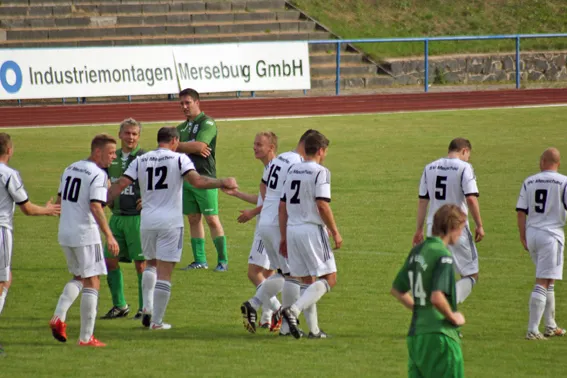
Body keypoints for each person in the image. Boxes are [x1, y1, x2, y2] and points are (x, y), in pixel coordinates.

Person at [107, 127, 237, 330]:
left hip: (147, 221)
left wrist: (101, 200)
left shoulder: (142, 159)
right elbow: (198, 181)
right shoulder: (179, 159)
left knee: (150, 264)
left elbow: (120, 184)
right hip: (170, 223)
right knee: (165, 272)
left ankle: (147, 307)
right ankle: (157, 321)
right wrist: (222, 182)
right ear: (175, 140)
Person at [240, 129, 315, 335]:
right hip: (278, 223)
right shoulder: (297, 163)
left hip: (264, 221)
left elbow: (263, 188)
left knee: (282, 273)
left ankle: (256, 305)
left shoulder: (279, 160)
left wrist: (267, 204)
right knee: (293, 276)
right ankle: (285, 325)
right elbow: (295, 196)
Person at [50, 134, 119, 347]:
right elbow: (96, 206)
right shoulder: (97, 174)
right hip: (85, 234)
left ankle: (59, 316)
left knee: (79, 277)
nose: (113, 157)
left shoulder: (70, 168)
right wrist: (109, 235)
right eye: (110, 153)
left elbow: (60, 200)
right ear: (97, 152)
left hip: (65, 232)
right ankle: (86, 337)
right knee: (93, 280)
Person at [279, 131, 342, 339]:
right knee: (330, 278)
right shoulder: (321, 172)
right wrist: (334, 231)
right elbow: (322, 204)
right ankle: (293, 310)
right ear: (321, 151)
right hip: (311, 229)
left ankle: (314, 331)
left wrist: (284, 236)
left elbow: (283, 205)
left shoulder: (292, 170)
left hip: (293, 229)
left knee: (308, 280)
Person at [392, 204, 467, 378]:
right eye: (461, 229)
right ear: (451, 227)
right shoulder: (443, 256)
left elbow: (398, 290)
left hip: (416, 336)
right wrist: (453, 317)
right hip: (440, 337)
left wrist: (419, 308)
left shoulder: (417, 251)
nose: (461, 234)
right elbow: (437, 296)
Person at [413, 138, 484, 304]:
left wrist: (419, 230)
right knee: (471, 274)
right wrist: (479, 225)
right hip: (455, 226)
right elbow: (471, 199)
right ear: (464, 151)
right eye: (468, 155)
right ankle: (445, 306)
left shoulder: (430, 167)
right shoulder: (464, 168)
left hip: (433, 227)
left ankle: (440, 316)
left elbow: (423, 201)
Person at [0, 133, 60, 318]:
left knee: (6, 278)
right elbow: (27, 208)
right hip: (1, 230)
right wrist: (48, 210)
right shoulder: (9, 174)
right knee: (2, 281)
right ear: (10, 150)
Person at [222, 131, 279, 328]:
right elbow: (263, 199)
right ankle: (267, 319)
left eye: (259, 145)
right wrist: (236, 194)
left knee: (253, 273)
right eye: (254, 144)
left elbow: (275, 202)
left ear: (271, 148)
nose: (254, 148)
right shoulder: (270, 168)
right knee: (269, 274)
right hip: (275, 225)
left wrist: (252, 213)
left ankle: (279, 311)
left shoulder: (274, 169)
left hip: (268, 226)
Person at [516, 147, 567, 340]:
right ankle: (532, 330)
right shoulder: (564, 182)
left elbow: (521, 211)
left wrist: (523, 235)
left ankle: (550, 326)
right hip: (551, 236)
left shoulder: (529, 181)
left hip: (533, 234)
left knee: (549, 279)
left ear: (542, 162)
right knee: (543, 281)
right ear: (558, 163)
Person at [175, 88, 228, 272]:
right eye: (181, 103)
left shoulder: (208, 123)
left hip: (206, 178)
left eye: (187, 102)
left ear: (197, 102)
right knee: (193, 219)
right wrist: (190, 147)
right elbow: (170, 147)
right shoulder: (180, 128)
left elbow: (200, 146)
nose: (184, 106)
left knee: (212, 219)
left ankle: (222, 261)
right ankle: (200, 260)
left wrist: (181, 146)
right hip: (186, 178)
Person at [101, 118, 146, 320]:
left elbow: (158, 183)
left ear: (139, 136)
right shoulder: (111, 157)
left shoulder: (146, 157)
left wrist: (148, 198)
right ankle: (120, 305)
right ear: (120, 135)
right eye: (127, 133)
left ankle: (145, 307)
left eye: (134, 134)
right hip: (116, 217)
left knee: (141, 264)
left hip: (137, 219)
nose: (130, 137)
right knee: (110, 260)